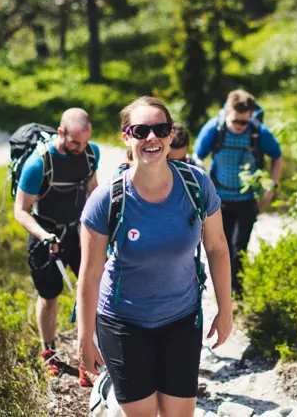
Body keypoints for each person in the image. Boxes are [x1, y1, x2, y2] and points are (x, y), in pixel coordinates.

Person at [77, 96, 234, 417]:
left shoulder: (196, 184)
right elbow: (89, 275)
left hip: (181, 318)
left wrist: (226, 310)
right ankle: (108, 394)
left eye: (160, 129)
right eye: (140, 131)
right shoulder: (106, 199)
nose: (152, 138)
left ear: (169, 135)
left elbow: (217, 247)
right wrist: (84, 338)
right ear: (126, 137)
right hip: (123, 324)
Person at [13, 108, 100, 384]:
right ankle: (49, 352)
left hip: (78, 231)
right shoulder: (38, 163)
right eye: (75, 142)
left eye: (85, 141)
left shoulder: (90, 153)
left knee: (94, 289)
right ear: (60, 132)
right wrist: (44, 236)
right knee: (50, 296)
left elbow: (92, 191)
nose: (80, 147)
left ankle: (92, 353)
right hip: (45, 234)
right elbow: (21, 210)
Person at [194, 89, 284, 294]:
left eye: (243, 122)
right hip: (219, 200)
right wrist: (203, 188)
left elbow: (277, 157)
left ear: (251, 115)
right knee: (220, 247)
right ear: (227, 111)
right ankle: (221, 289)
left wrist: (271, 186)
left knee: (239, 247)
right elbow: (198, 156)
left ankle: (236, 293)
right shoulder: (214, 130)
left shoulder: (258, 132)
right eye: (235, 121)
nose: (239, 126)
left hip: (247, 199)